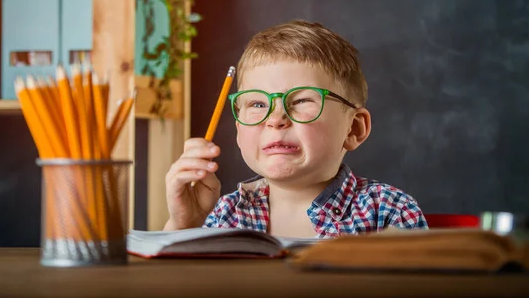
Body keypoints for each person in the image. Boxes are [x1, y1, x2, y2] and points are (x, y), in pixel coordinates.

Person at [164, 20, 428, 238]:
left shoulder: (388, 212)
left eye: (302, 101)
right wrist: (184, 225)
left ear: (354, 129)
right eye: (257, 103)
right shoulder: (222, 215)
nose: (275, 119)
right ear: (238, 130)